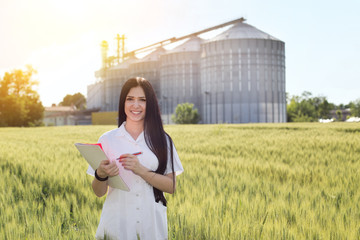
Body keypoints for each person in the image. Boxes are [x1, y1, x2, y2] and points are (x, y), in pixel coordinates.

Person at [87, 77, 184, 240]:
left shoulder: (163, 140)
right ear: (123, 103)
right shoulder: (107, 139)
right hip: (116, 226)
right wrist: (101, 174)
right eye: (130, 99)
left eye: (142, 100)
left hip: (152, 227)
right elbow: (98, 192)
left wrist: (142, 171)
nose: (135, 105)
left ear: (150, 104)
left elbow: (171, 186)